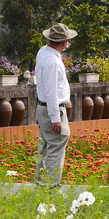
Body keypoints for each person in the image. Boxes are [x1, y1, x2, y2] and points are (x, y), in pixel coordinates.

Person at [34, 23, 77, 187]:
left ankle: (41, 183)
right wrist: (55, 118)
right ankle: (50, 186)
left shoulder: (44, 51)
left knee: (47, 146)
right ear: (64, 42)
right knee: (56, 145)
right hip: (52, 109)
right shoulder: (52, 60)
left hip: (43, 107)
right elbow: (52, 91)